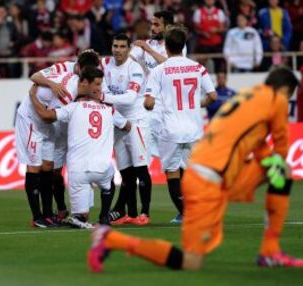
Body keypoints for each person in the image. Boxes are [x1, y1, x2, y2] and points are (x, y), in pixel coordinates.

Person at [87, 66, 303, 272]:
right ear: (284, 90)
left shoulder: (247, 96)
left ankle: (110, 239)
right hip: (212, 180)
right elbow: (281, 150)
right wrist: (273, 164)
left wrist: (267, 163)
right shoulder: (276, 100)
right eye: (288, 96)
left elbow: (257, 140)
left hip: (198, 174)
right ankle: (270, 251)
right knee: (191, 261)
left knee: (279, 170)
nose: (286, 101)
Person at [29, 66, 131, 228]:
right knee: (109, 179)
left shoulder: (73, 108)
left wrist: (33, 96)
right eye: (98, 84)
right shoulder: (109, 110)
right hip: (102, 169)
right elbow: (127, 126)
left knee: (80, 216)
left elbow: (46, 115)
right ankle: (104, 217)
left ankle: (79, 219)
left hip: (78, 172)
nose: (100, 88)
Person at [143, 26, 216, 224]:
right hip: (194, 129)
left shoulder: (159, 70)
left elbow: (148, 102)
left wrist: (149, 105)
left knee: (173, 172)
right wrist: (195, 104)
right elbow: (212, 96)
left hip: (171, 130)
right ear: (183, 46)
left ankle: (185, 214)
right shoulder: (198, 67)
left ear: (166, 47)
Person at [29, 50, 101, 224]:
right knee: (54, 171)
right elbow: (35, 77)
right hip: (59, 127)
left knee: (76, 171)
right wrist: (49, 85)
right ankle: (61, 209)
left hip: (75, 129)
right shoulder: (66, 72)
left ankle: (83, 213)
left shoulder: (94, 81)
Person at [129, 12, 188, 224]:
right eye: (151, 24)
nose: (152, 27)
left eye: (156, 24)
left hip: (170, 110)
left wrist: (149, 50)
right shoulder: (145, 44)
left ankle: (186, 208)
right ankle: (139, 210)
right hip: (149, 109)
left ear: (167, 25)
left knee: (178, 163)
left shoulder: (177, 45)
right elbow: (128, 58)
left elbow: (170, 64)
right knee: (143, 157)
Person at [100, 34, 152, 226]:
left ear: (128, 49)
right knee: (126, 172)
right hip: (118, 122)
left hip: (136, 121)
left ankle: (145, 212)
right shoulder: (105, 64)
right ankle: (130, 213)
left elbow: (130, 98)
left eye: (122, 46)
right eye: (115, 46)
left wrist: (102, 96)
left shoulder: (135, 68)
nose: (118, 50)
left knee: (140, 169)